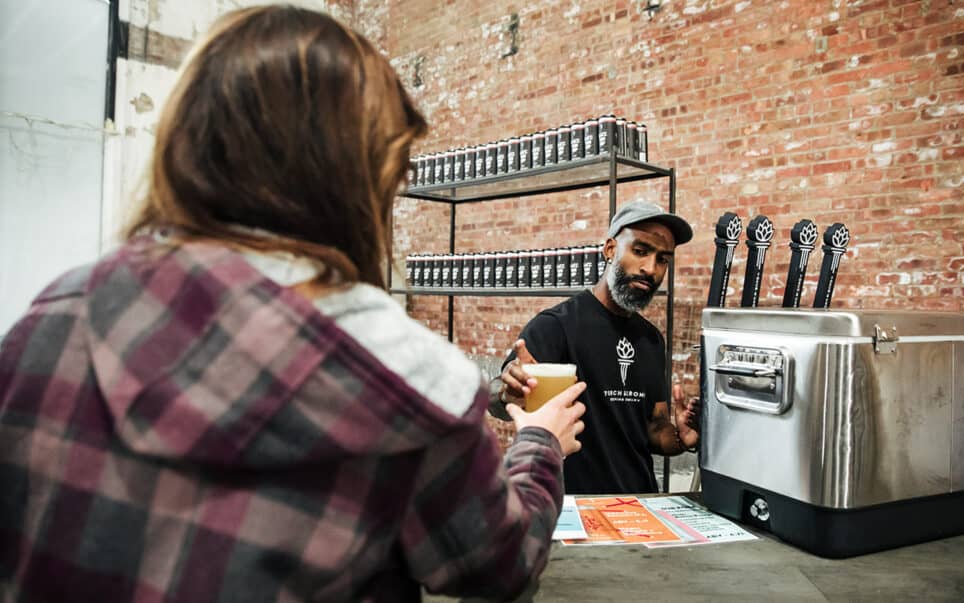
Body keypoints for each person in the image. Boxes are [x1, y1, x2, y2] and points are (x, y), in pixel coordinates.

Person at [0, 6, 586, 602]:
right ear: (356, 177)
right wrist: (539, 442)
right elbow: (499, 564)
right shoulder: (401, 375)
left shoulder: (50, 319)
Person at [493, 201, 700, 495]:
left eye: (663, 259)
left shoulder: (651, 339)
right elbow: (497, 401)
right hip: (571, 507)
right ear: (610, 249)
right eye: (640, 251)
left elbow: (655, 429)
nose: (650, 269)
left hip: (638, 504)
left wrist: (681, 438)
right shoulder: (556, 326)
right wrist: (507, 390)